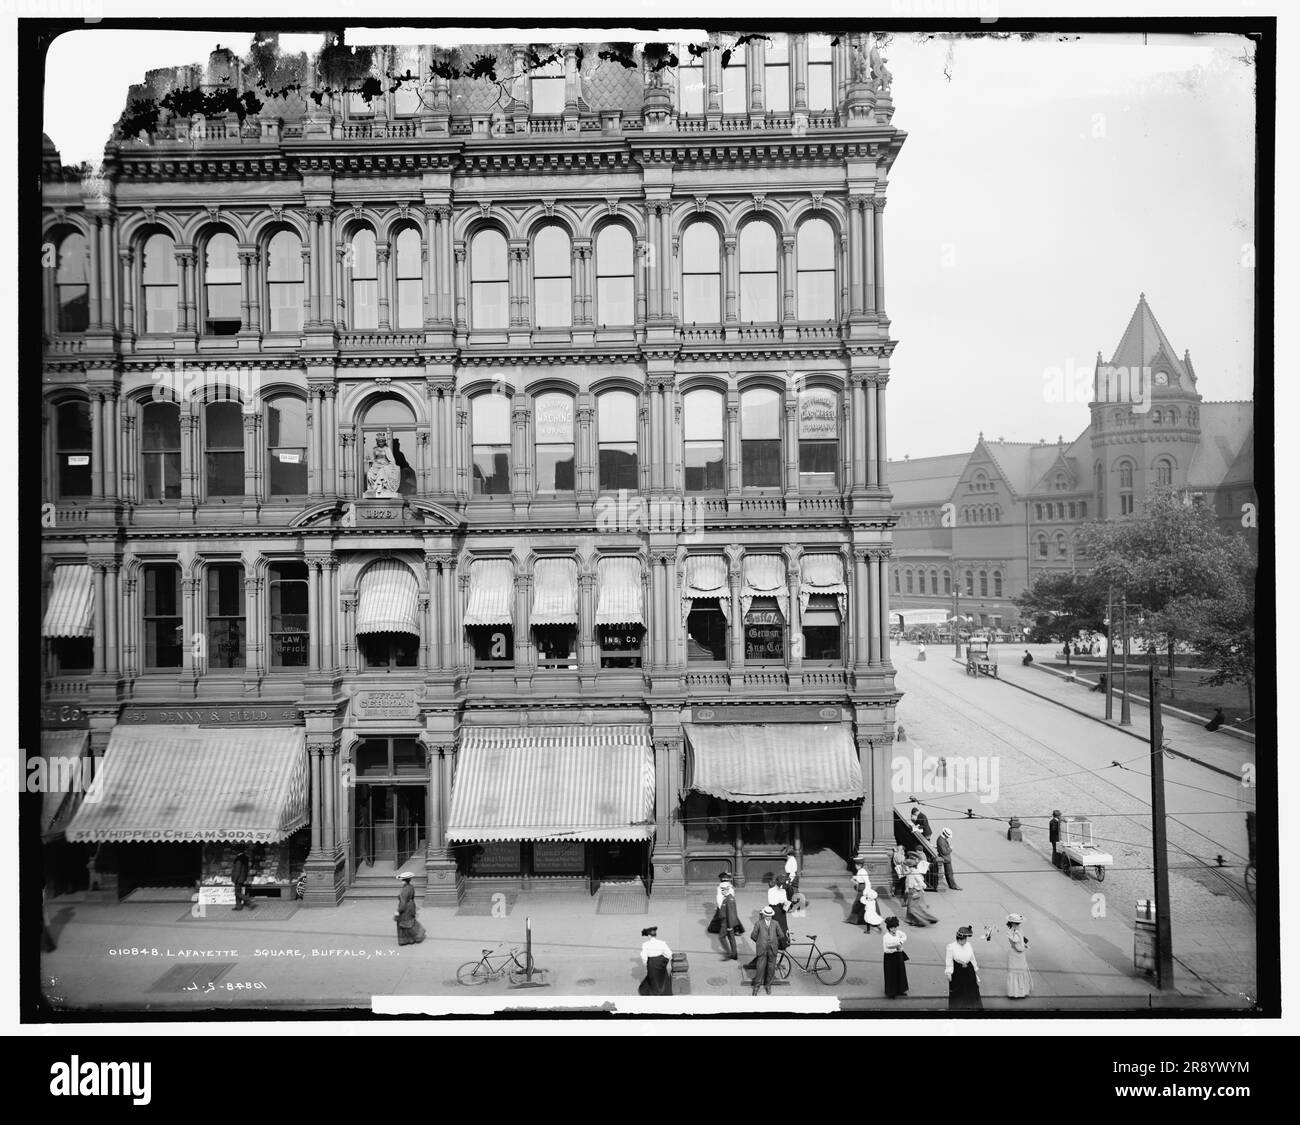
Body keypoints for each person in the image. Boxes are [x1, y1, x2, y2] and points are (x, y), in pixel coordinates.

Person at [945, 925, 983, 1010]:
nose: (963, 941)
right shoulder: (951, 947)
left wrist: (975, 969)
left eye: (964, 939)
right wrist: (949, 972)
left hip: (969, 970)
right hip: (957, 971)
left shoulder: (968, 945)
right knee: (958, 991)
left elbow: (972, 958)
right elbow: (949, 961)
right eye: (961, 940)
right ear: (958, 938)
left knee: (972, 989)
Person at [750, 906, 784, 996]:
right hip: (762, 949)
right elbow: (753, 936)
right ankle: (756, 987)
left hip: (773, 949)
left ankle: (768, 985)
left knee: (771, 968)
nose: (769, 917)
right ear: (764, 915)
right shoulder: (758, 924)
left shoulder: (775, 923)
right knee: (760, 968)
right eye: (767, 915)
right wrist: (760, 941)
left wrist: (774, 940)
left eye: (770, 915)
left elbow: (781, 934)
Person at [713, 873, 742, 961]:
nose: (722, 891)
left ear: (727, 890)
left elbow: (730, 913)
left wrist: (729, 926)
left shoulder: (728, 900)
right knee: (731, 938)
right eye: (722, 890)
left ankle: (729, 953)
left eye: (723, 890)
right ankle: (734, 953)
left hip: (726, 922)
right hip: (727, 922)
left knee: (721, 937)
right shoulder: (729, 898)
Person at [638, 926, 673, 995]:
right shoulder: (662, 943)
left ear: (649, 936)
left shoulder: (645, 944)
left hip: (652, 964)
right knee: (662, 977)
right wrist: (663, 960)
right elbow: (669, 954)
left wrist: (646, 963)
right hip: (661, 964)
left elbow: (643, 956)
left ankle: (655, 992)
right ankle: (664, 990)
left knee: (652, 978)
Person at [903, 856, 937, 927]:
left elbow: (921, 882)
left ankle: (922, 921)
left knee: (913, 908)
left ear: (909, 866)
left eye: (905, 866)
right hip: (911, 890)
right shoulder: (910, 872)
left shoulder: (914, 872)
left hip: (915, 891)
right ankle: (910, 920)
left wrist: (920, 888)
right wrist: (907, 889)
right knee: (911, 907)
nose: (905, 867)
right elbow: (908, 881)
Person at [394, 871, 426, 946]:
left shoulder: (404, 890)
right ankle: (411, 939)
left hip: (406, 908)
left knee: (404, 923)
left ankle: (414, 936)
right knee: (410, 921)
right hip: (411, 906)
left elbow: (403, 902)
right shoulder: (411, 887)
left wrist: (398, 910)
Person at [1005, 913, 1031, 999]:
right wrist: (1020, 945)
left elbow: (1021, 942)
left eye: (1019, 923)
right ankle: (1014, 993)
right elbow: (1016, 945)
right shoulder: (1012, 933)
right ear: (1012, 923)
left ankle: (1021, 992)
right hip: (1015, 954)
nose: (1018, 925)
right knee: (1015, 972)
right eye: (1016, 923)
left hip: (1020, 954)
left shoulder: (1019, 931)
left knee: (1021, 971)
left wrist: (1024, 945)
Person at [882, 916, 908, 998]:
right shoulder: (886, 936)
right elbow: (887, 949)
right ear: (888, 928)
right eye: (892, 927)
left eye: (895, 927)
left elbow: (904, 936)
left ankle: (900, 990)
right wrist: (896, 947)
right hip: (890, 957)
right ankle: (891, 992)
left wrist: (900, 942)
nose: (894, 929)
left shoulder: (898, 932)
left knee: (900, 973)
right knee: (891, 974)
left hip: (898, 955)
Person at [231, 847, 256, 912]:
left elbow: (237, 870)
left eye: (236, 850)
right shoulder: (245, 857)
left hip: (238, 878)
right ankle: (238, 906)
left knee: (237, 892)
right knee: (238, 892)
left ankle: (248, 900)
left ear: (238, 851)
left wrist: (235, 879)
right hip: (242, 877)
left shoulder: (239, 859)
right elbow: (246, 869)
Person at [847, 856, 870, 924]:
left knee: (857, 905)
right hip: (861, 888)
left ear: (860, 865)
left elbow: (867, 882)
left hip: (863, 890)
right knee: (860, 905)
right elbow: (859, 880)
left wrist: (866, 892)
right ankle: (859, 920)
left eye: (857, 864)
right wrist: (854, 879)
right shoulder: (860, 871)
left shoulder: (863, 871)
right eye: (856, 864)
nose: (855, 866)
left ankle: (854, 920)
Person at [767, 875, 791, 939]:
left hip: (777, 909)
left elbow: (770, 901)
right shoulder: (778, 891)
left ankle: (779, 942)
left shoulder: (772, 890)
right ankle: (781, 942)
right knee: (780, 926)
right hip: (778, 909)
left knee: (778, 926)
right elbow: (772, 901)